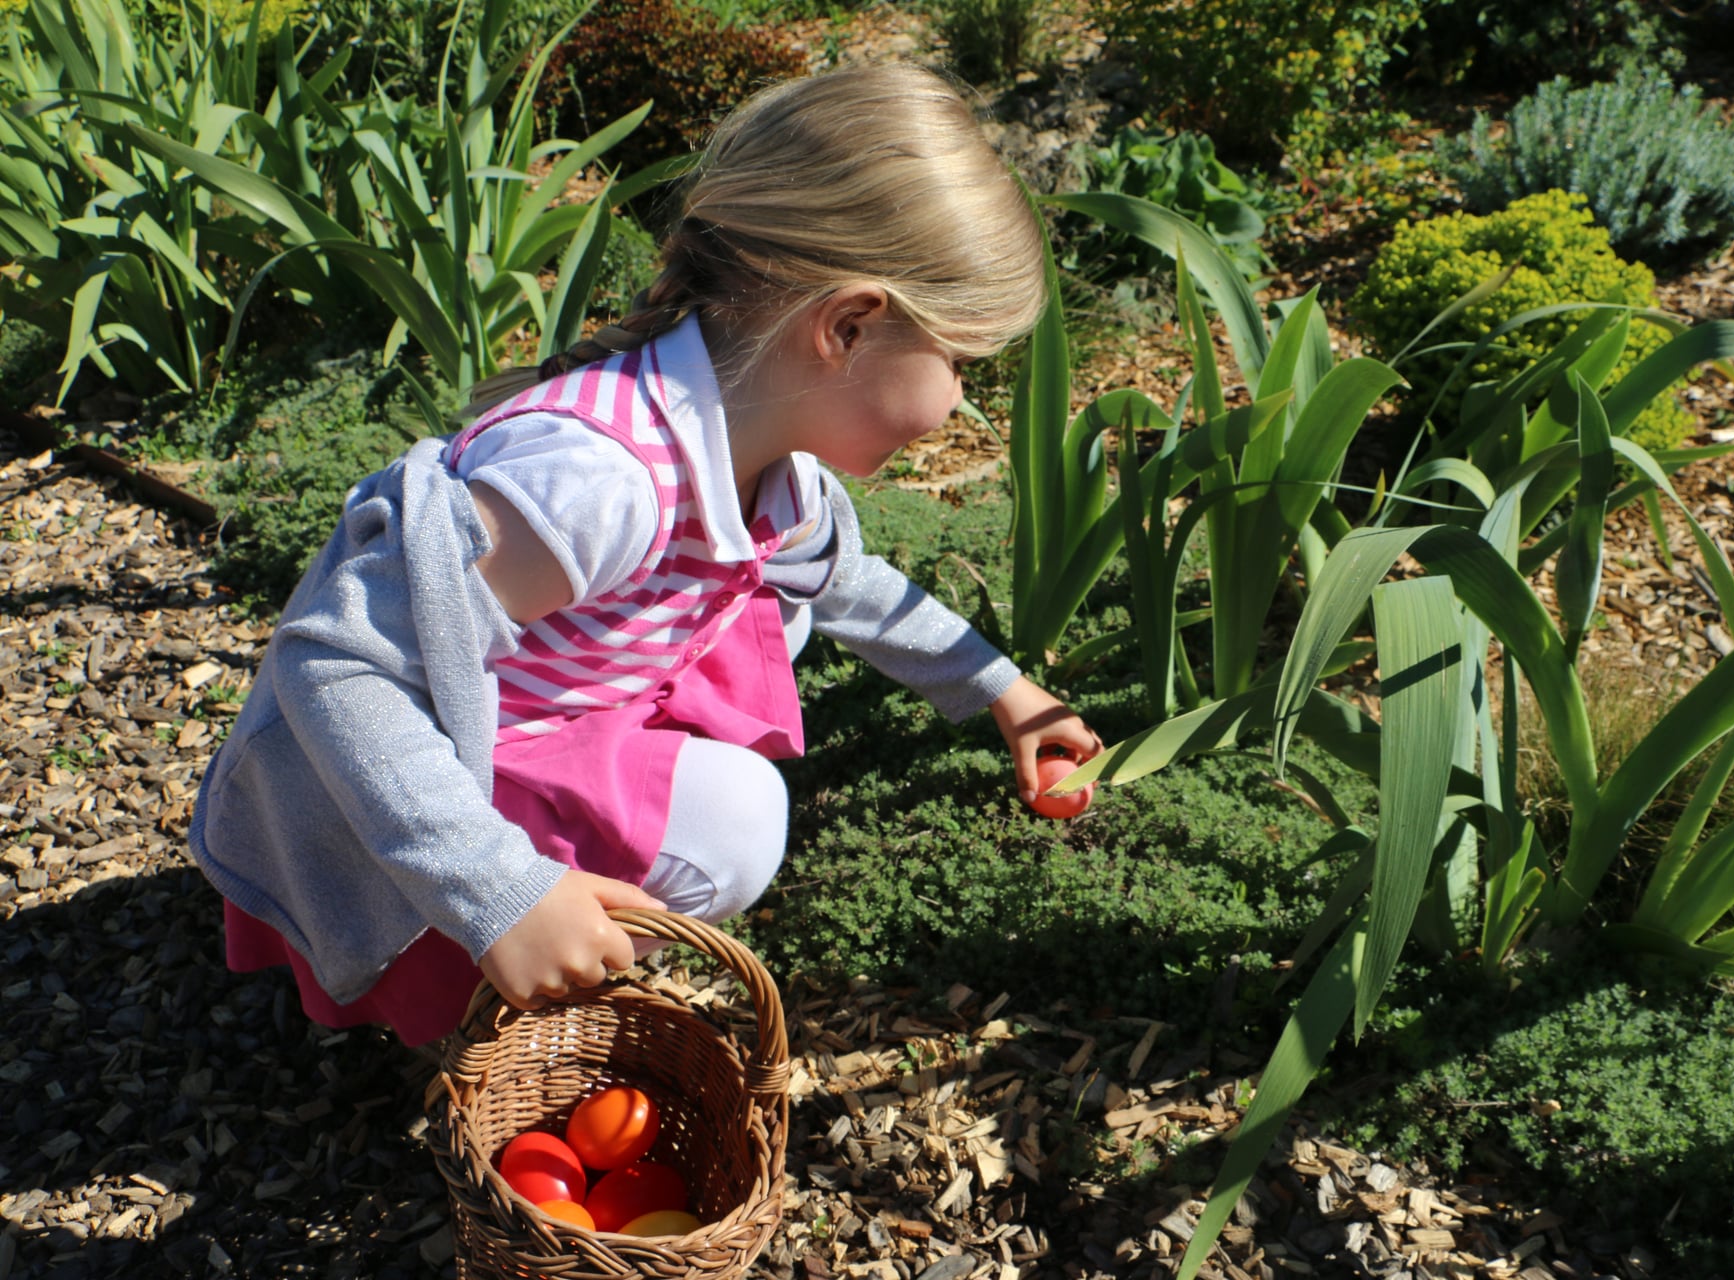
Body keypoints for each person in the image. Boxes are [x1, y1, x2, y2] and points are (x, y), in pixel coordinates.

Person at [187, 63, 1102, 1047]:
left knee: (744, 760)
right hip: (420, 763)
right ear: (847, 325)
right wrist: (499, 889)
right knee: (739, 818)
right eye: (960, 362)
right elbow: (336, 662)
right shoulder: (600, 481)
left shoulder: (760, 458)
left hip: (551, 718)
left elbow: (849, 583)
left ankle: (542, 938)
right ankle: (482, 975)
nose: (961, 402)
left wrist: (1007, 693)